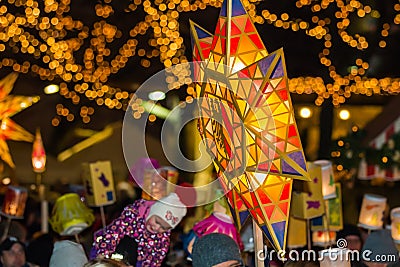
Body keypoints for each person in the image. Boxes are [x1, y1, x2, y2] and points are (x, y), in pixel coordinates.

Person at [91, 192, 187, 267]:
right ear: (153, 211)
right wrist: (103, 254)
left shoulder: (162, 240)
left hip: (137, 259)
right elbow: (113, 232)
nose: (157, 228)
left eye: (164, 228)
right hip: (110, 249)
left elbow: (155, 259)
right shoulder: (133, 215)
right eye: (157, 221)